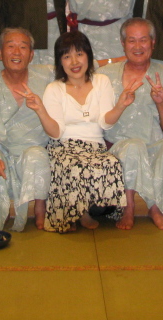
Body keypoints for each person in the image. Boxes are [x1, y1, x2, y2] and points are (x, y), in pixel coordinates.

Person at [18, 31, 132, 233]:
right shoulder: (54, 88)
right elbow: (55, 133)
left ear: (88, 55)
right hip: (64, 146)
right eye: (67, 56)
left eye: (79, 54)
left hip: (95, 147)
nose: (74, 62)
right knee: (74, 165)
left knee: (111, 162)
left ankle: (84, 208)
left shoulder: (102, 81)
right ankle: (80, 213)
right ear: (60, 62)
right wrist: (40, 110)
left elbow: (105, 123)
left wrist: (121, 106)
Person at [98, 18, 163, 230]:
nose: (138, 46)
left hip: (153, 145)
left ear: (153, 43)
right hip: (118, 147)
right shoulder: (105, 75)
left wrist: (161, 103)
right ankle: (132, 208)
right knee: (133, 147)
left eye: (143, 40)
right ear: (123, 44)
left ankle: (156, 207)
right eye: (131, 41)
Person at [0, 28, 54, 232]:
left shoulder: (46, 75)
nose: (17, 52)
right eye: (10, 46)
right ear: (0, 53)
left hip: (33, 149)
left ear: (31, 55)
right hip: (3, 149)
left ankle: (40, 207)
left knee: (37, 155)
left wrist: (120, 60)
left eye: (23, 47)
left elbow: (79, 65)